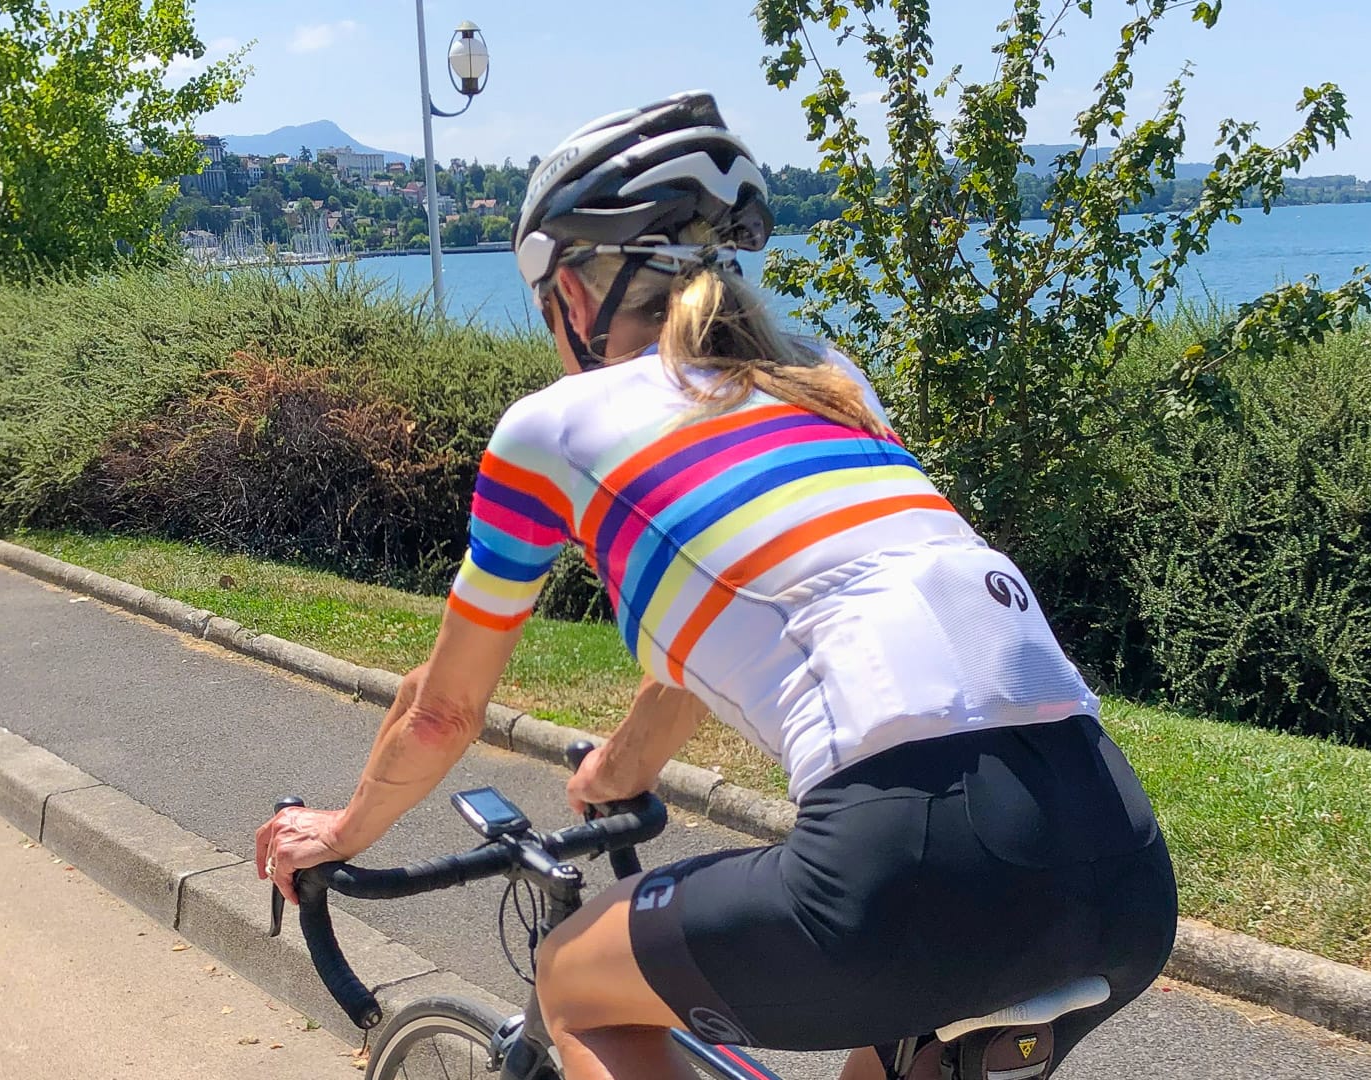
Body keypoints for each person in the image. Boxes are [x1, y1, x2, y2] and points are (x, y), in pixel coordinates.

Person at [257, 91, 1177, 1080]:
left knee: (573, 976)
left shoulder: (554, 427)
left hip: (900, 863)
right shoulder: (826, 380)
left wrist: (345, 831)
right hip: (1120, 865)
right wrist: (621, 766)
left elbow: (443, 711)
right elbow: (774, 599)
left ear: (572, 294)